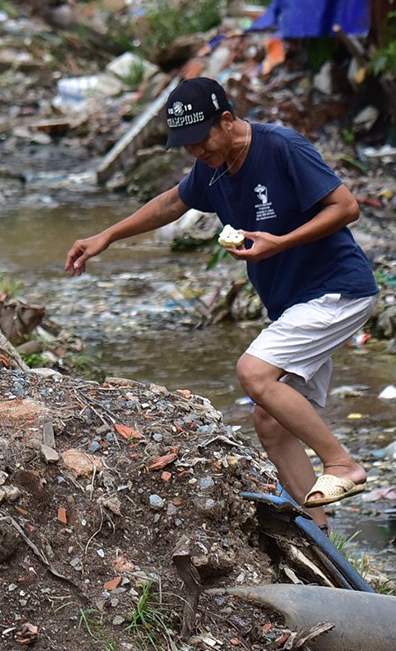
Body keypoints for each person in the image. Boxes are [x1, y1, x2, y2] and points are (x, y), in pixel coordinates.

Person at [65, 77, 378, 523]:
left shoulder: (280, 147)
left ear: (227, 120)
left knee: (253, 373)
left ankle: (342, 464)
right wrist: (108, 236)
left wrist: (281, 242)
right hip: (294, 301)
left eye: (200, 140)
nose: (196, 152)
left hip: (336, 289)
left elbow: (346, 207)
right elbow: (173, 202)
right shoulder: (213, 167)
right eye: (186, 146)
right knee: (270, 420)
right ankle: (324, 538)